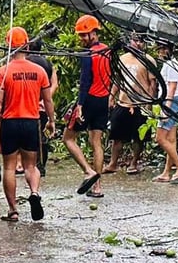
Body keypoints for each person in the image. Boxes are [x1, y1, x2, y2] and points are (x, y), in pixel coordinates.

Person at [0, 27, 55, 222]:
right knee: (31, 166)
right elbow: (48, 100)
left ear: (8, 46)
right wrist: (51, 121)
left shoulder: (2, 72)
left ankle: (13, 210)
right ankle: (34, 192)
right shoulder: (39, 71)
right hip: (31, 122)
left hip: (9, 123)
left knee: (9, 167)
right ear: (27, 45)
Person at [63, 14, 110, 197]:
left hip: (89, 100)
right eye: (80, 35)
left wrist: (80, 106)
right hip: (103, 100)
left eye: (84, 35)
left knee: (68, 138)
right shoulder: (107, 50)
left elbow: (85, 81)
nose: (82, 39)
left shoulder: (87, 54)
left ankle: (87, 171)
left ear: (93, 33)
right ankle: (97, 187)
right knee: (95, 142)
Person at [105, 32, 158, 175]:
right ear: (130, 42)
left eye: (141, 41)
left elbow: (153, 84)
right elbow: (118, 80)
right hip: (123, 102)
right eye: (136, 41)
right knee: (116, 135)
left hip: (141, 103)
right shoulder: (123, 59)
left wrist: (150, 103)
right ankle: (113, 163)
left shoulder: (149, 60)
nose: (138, 44)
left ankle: (134, 163)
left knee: (138, 137)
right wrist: (111, 96)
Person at [153, 41, 178, 184]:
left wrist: (166, 109)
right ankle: (167, 172)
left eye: (161, 50)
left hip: (172, 101)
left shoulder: (171, 65)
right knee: (171, 139)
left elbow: (172, 88)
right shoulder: (170, 64)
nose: (159, 53)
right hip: (173, 101)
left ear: (168, 50)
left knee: (160, 138)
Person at [26, 37, 58, 177]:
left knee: (29, 137)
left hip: (28, 105)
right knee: (43, 136)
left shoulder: (25, 62)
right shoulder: (48, 64)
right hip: (44, 106)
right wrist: (45, 98)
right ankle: (41, 166)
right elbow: (54, 84)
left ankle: (30, 166)